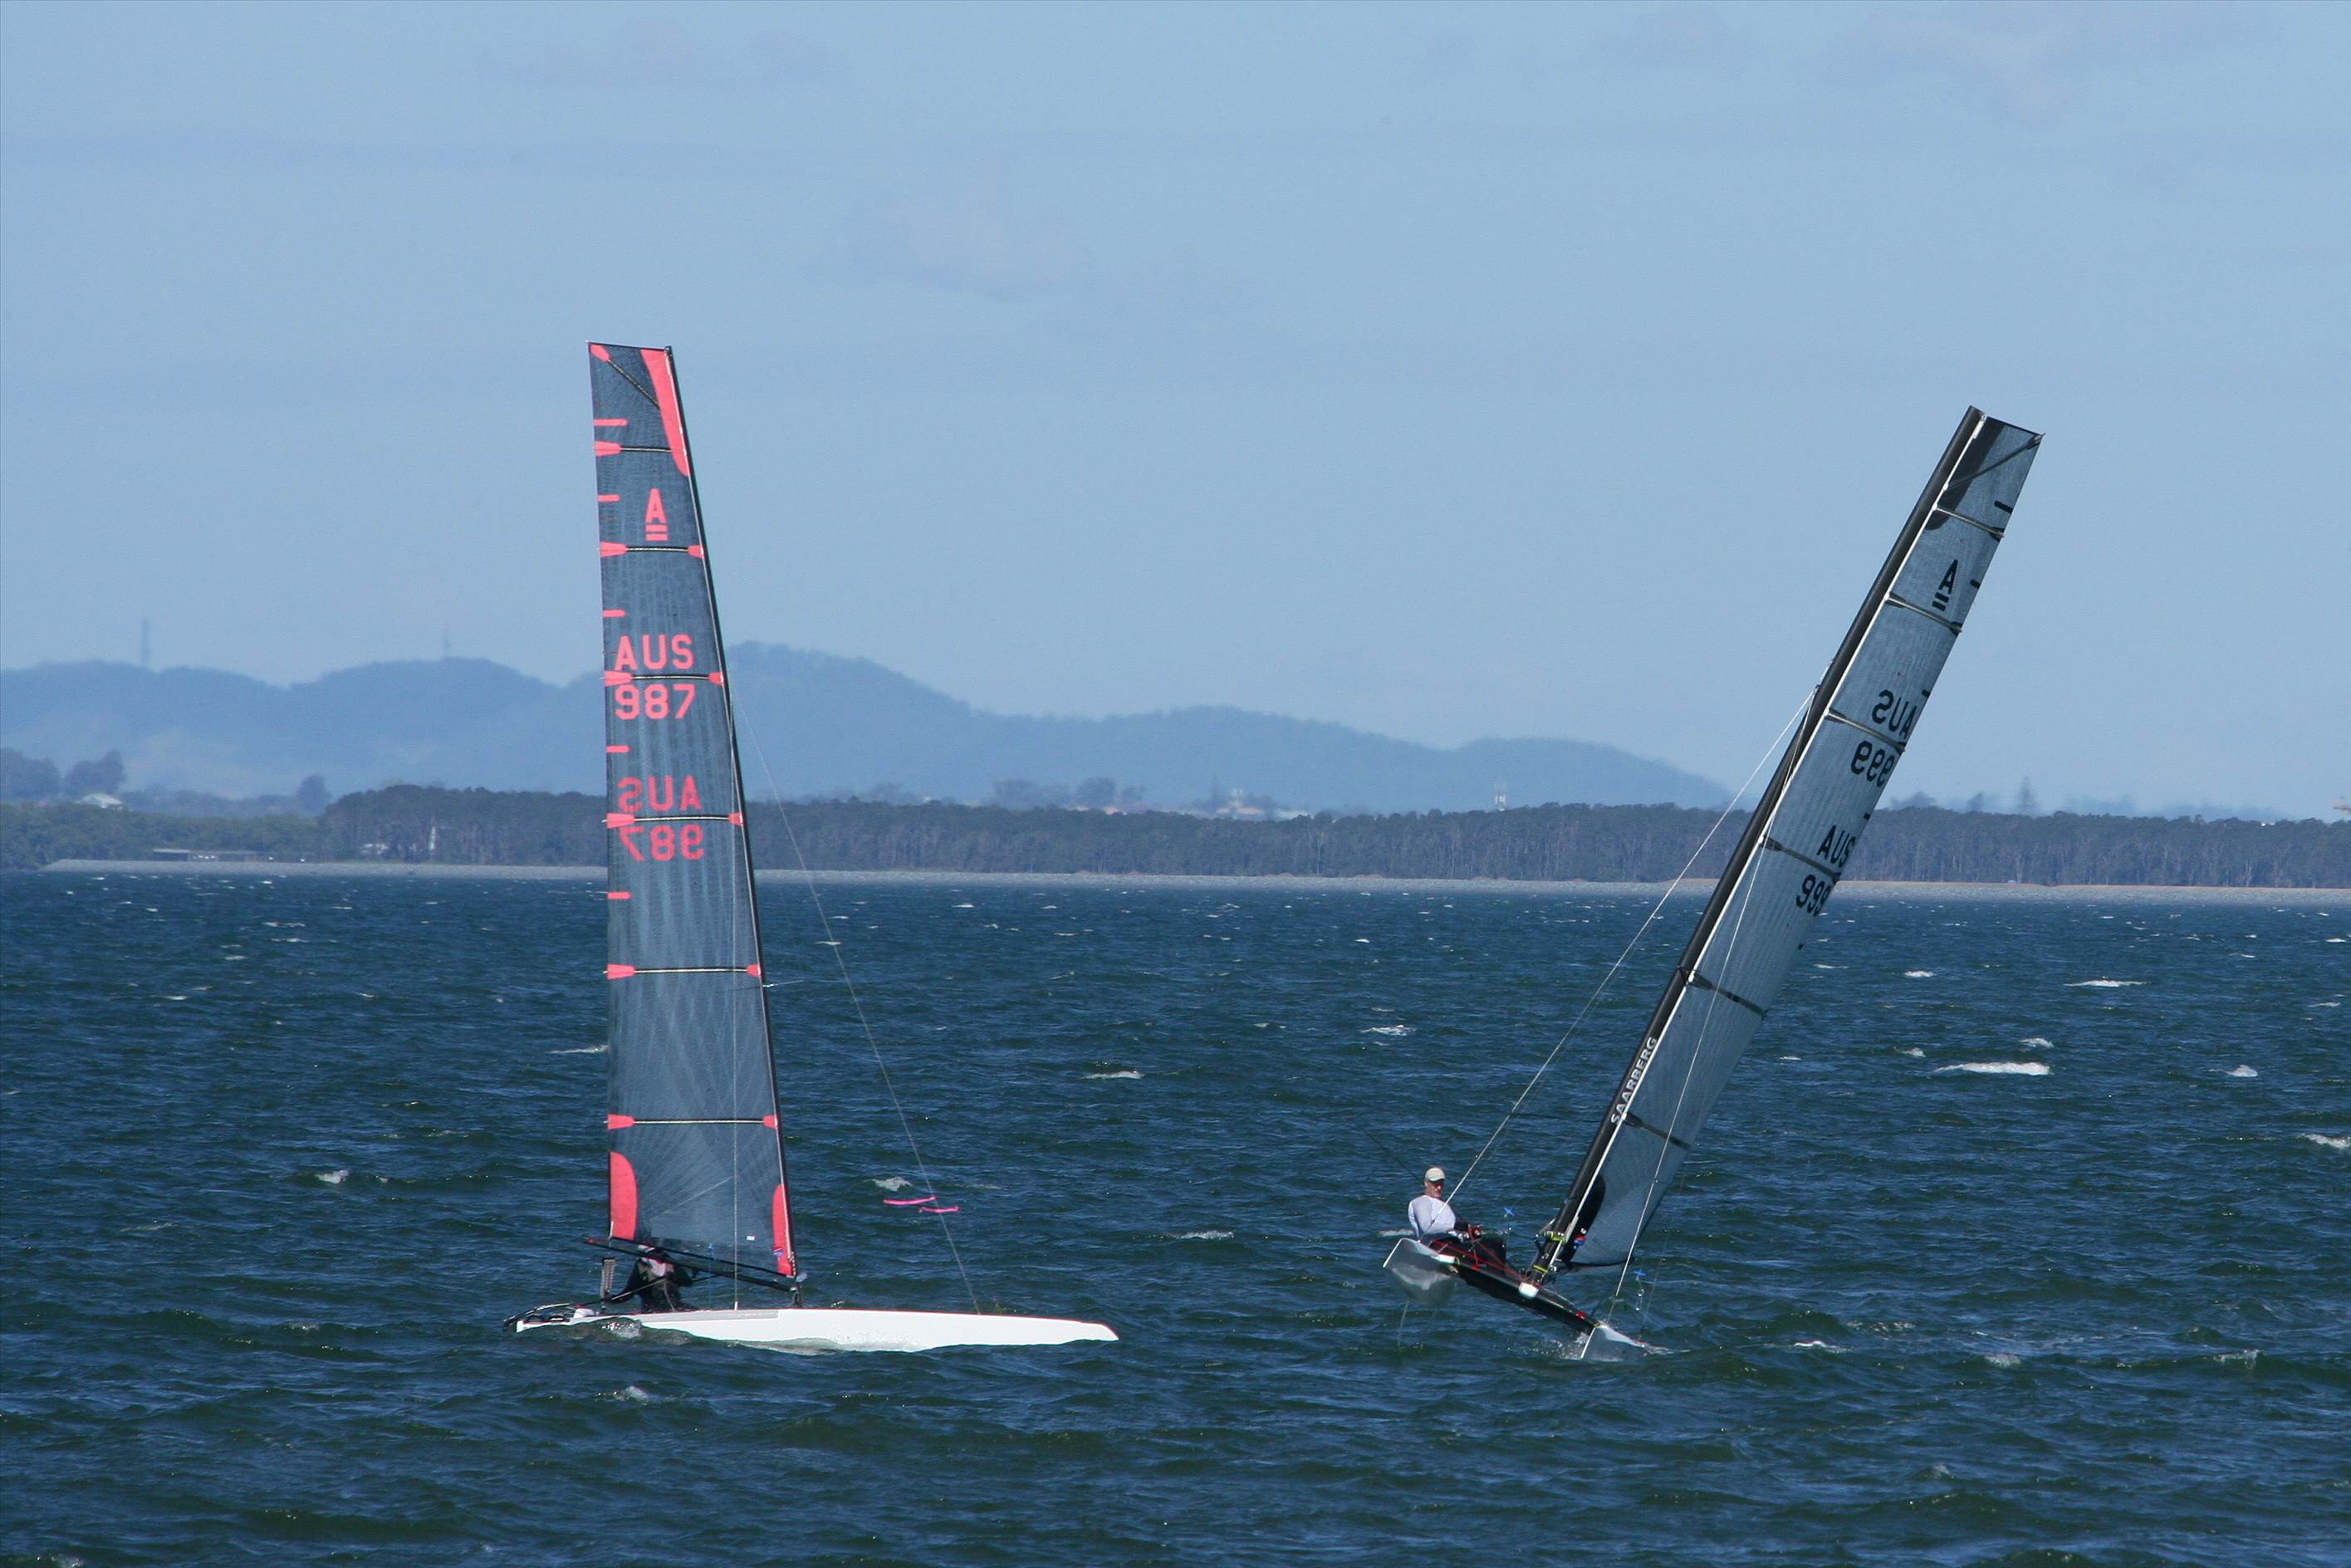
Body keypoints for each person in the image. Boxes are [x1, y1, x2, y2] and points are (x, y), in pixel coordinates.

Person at [624, 1248, 692, 1312]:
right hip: (652, 1309)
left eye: (659, 1252)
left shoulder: (671, 1263)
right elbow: (629, 1292)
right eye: (655, 1252)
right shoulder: (641, 1267)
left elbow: (688, 1283)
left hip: (675, 1305)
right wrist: (615, 1300)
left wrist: (673, 1277)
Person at [1408, 1167, 1457, 1241]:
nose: (1439, 1188)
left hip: (1456, 1243)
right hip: (1436, 1246)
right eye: (1435, 1184)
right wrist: (1454, 1227)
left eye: (1441, 1184)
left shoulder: (1446, 1205)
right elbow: (1426, 1228)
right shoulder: (1421, 1201)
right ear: (1426, 1183)